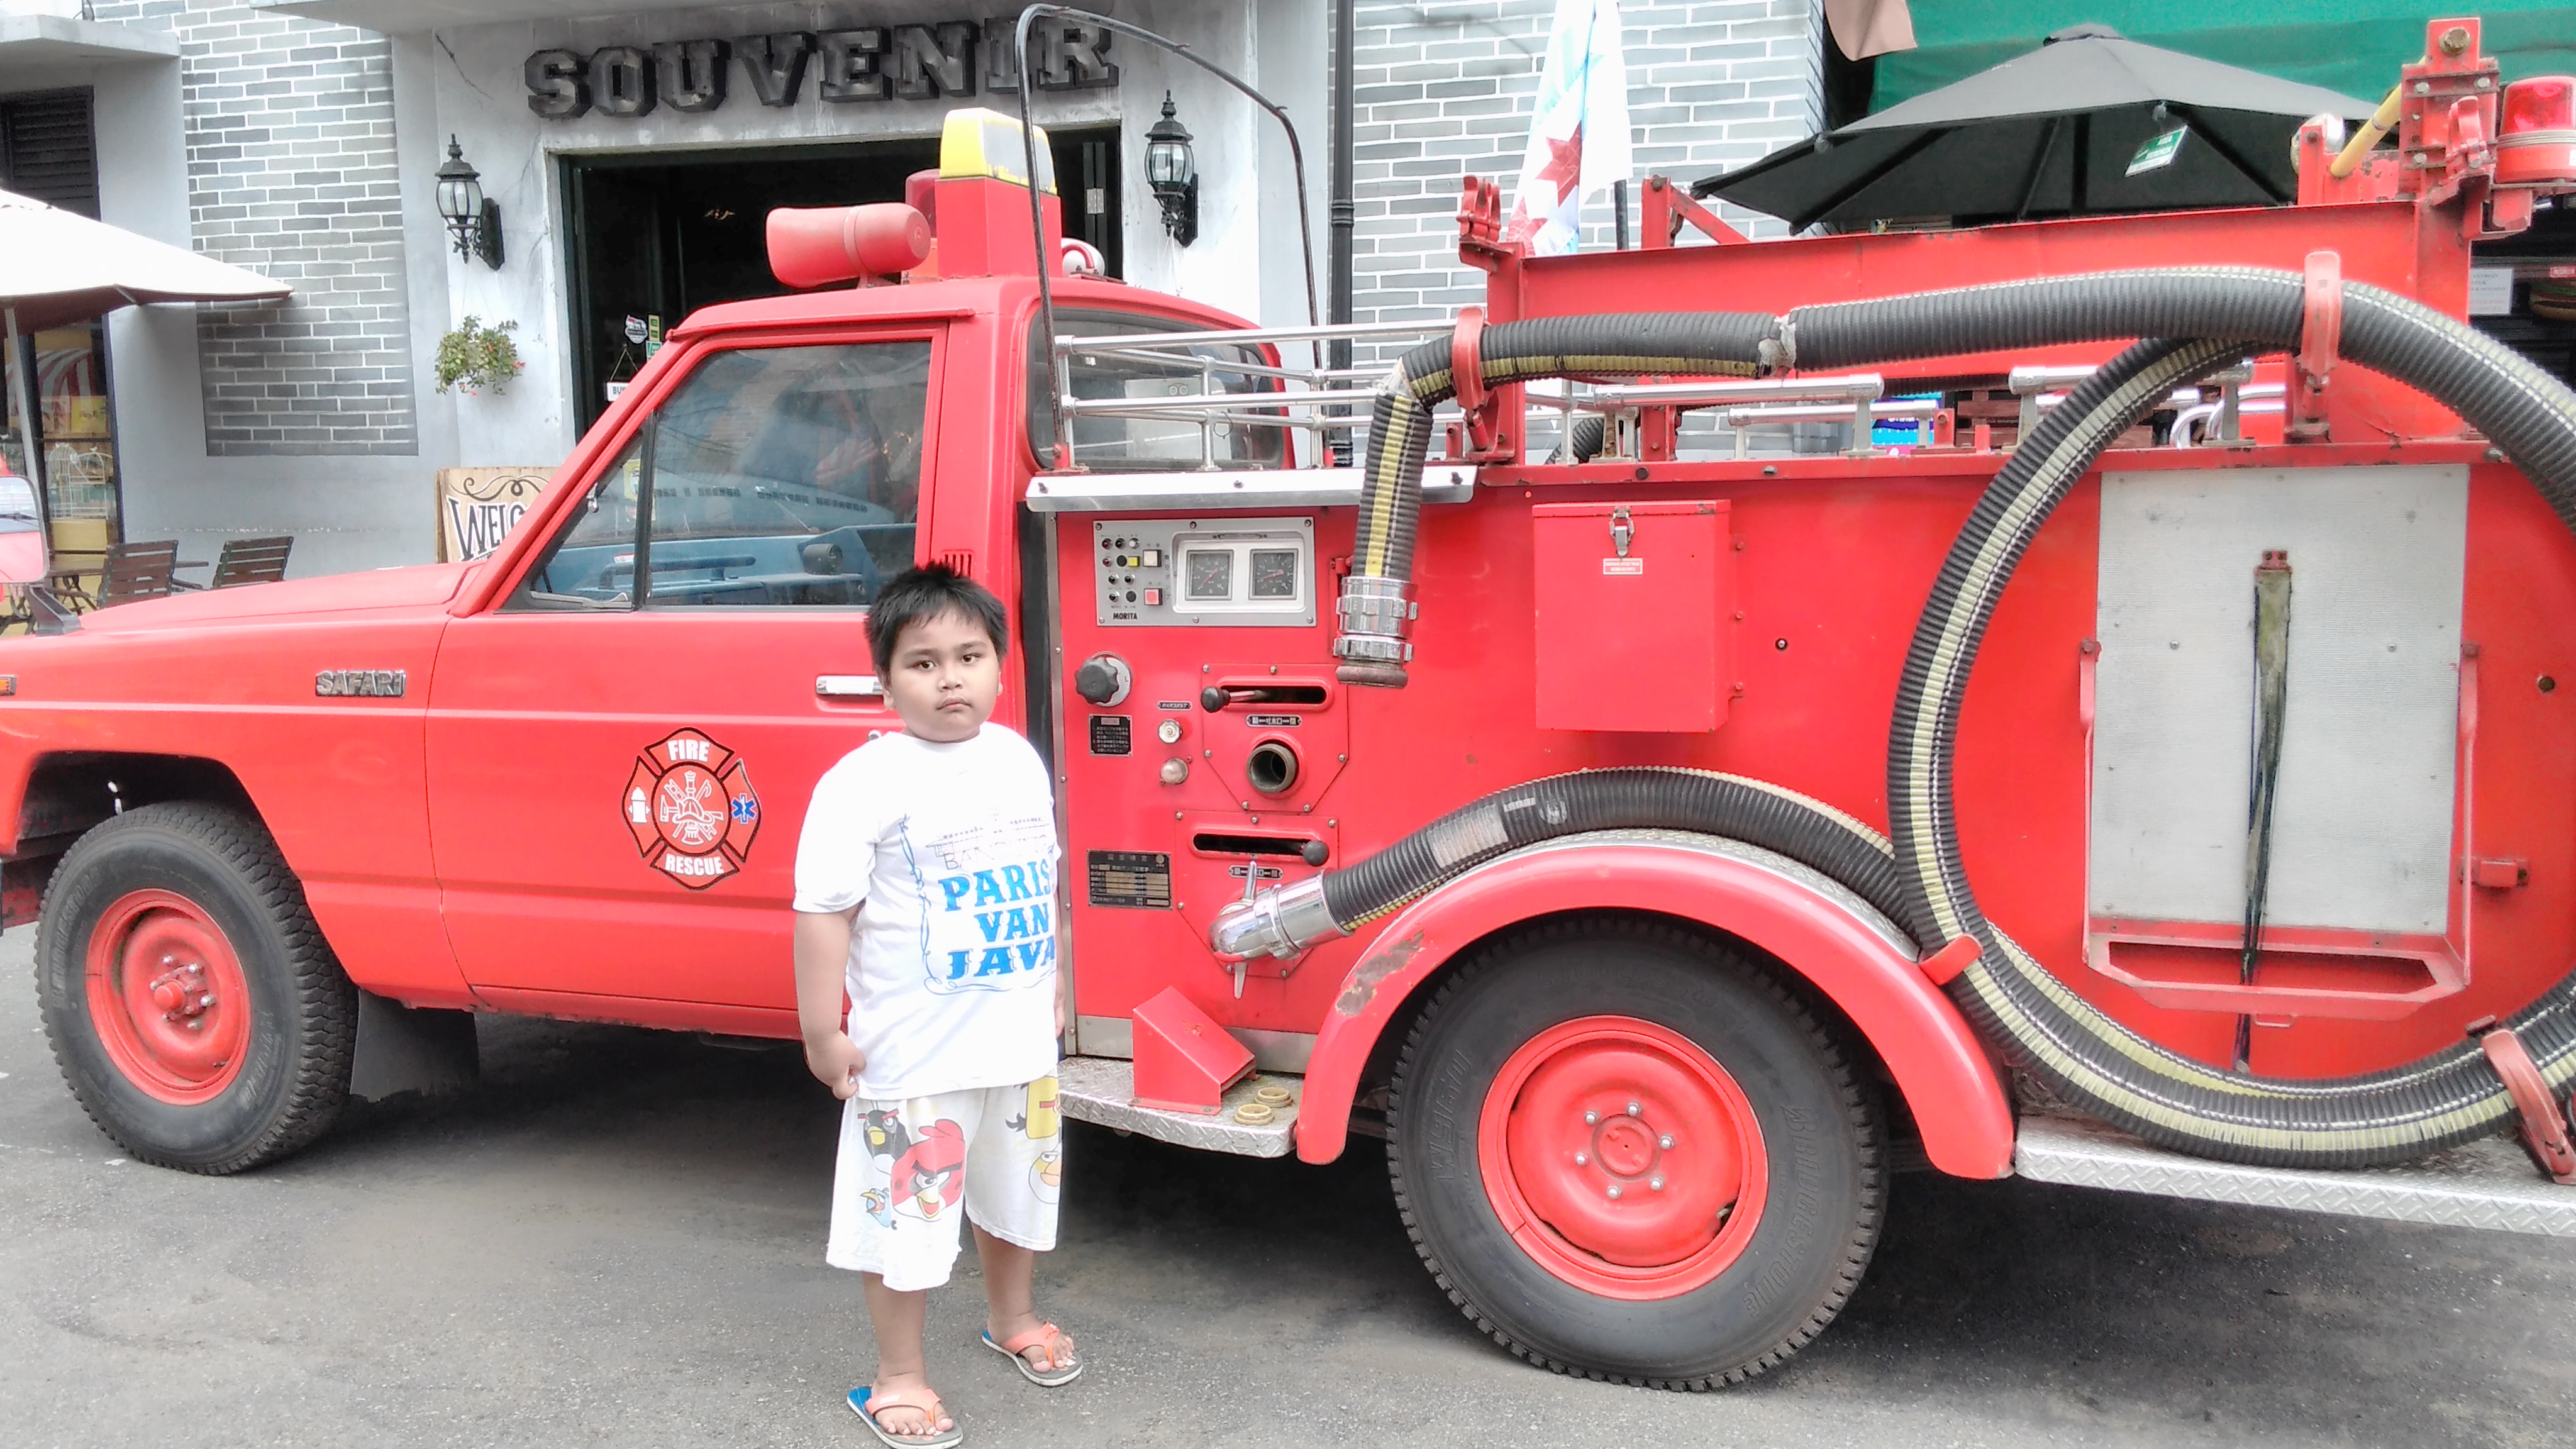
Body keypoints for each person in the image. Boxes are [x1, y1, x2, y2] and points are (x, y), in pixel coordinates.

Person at [792, 563, 1076, 1447]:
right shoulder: (863, 781)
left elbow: (1044, 879)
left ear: (1000, 666)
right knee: (906, 1222)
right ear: (885, 682)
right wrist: (822, 1031)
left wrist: (1057, 981)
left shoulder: (1017, 758)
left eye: (969, 656)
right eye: (923, 663)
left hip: (1017, 1047)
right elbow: (823, 912)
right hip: (914, 1058)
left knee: (1017, 1195)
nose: (951, 678)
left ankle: (1013, 1319)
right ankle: (899, 1377)